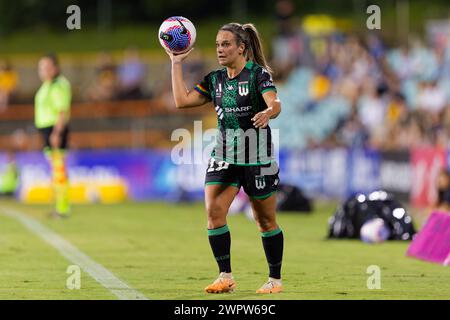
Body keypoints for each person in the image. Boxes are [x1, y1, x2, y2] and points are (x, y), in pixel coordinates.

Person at [165, 22, 284, 294]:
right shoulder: (214, 79)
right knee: (213, 214)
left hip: (258, 156)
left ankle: (275, 279)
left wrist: (269, 112)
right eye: (218, 44)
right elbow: (181, 101)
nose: (220, 49)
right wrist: (175, 63)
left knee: (265, 221)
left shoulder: (258, 75)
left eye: (226, 44)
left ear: (241, 48)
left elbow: (275, 103)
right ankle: (225, 276)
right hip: (224, 155)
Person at [34, 53, 71, 218]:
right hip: (48, 129)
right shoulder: (49, 84)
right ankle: (60, 206)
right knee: (57, 169)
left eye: (47, 67)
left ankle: (62, 208)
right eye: (41, 67)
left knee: (59, 169)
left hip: (54, 129)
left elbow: (61, 111)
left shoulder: (57, 85)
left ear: (55, 68)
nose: (43, 70)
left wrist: (56, 133)